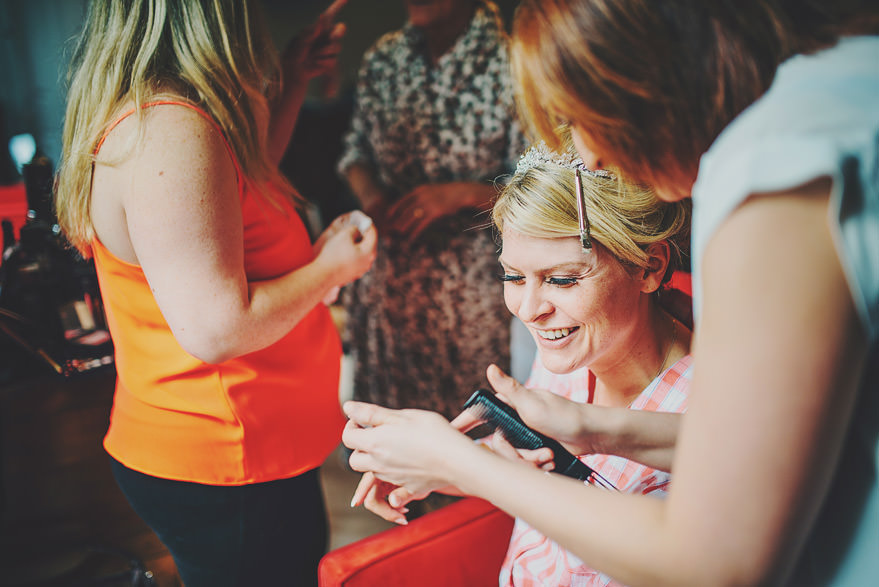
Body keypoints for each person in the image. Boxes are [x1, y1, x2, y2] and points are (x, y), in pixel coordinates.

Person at [345, 0, 879, 584]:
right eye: (513, 275)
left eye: (587, 114)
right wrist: (583, 432)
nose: (592, 156)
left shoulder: (780, 167)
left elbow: (713, 561)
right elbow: (771, 451)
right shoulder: (852, 88)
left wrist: (462, 465)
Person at [55, 1, 376, 585]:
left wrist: (295, 79)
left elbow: (233, 194)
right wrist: (332, 268)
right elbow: (217, 329)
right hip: (225, 462)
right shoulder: (170, 133)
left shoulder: (175, 121)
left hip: (245, 452)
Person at [348, 138, 692, 585]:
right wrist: (431, 469)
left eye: (563, 279)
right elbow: (539, 481)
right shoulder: (565, 358)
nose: (529, 309)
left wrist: (458, 461)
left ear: (647, 266)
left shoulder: (715, 412)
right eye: (513, 275)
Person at [337, 0, 528, 424]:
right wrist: (371, 196)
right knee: (391, 427)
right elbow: (355, 151)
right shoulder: (384, 59)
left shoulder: (513, 62)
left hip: (471, 287)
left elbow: (539, 187)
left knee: (469, 426)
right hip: (391, 275)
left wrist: (459, 194)